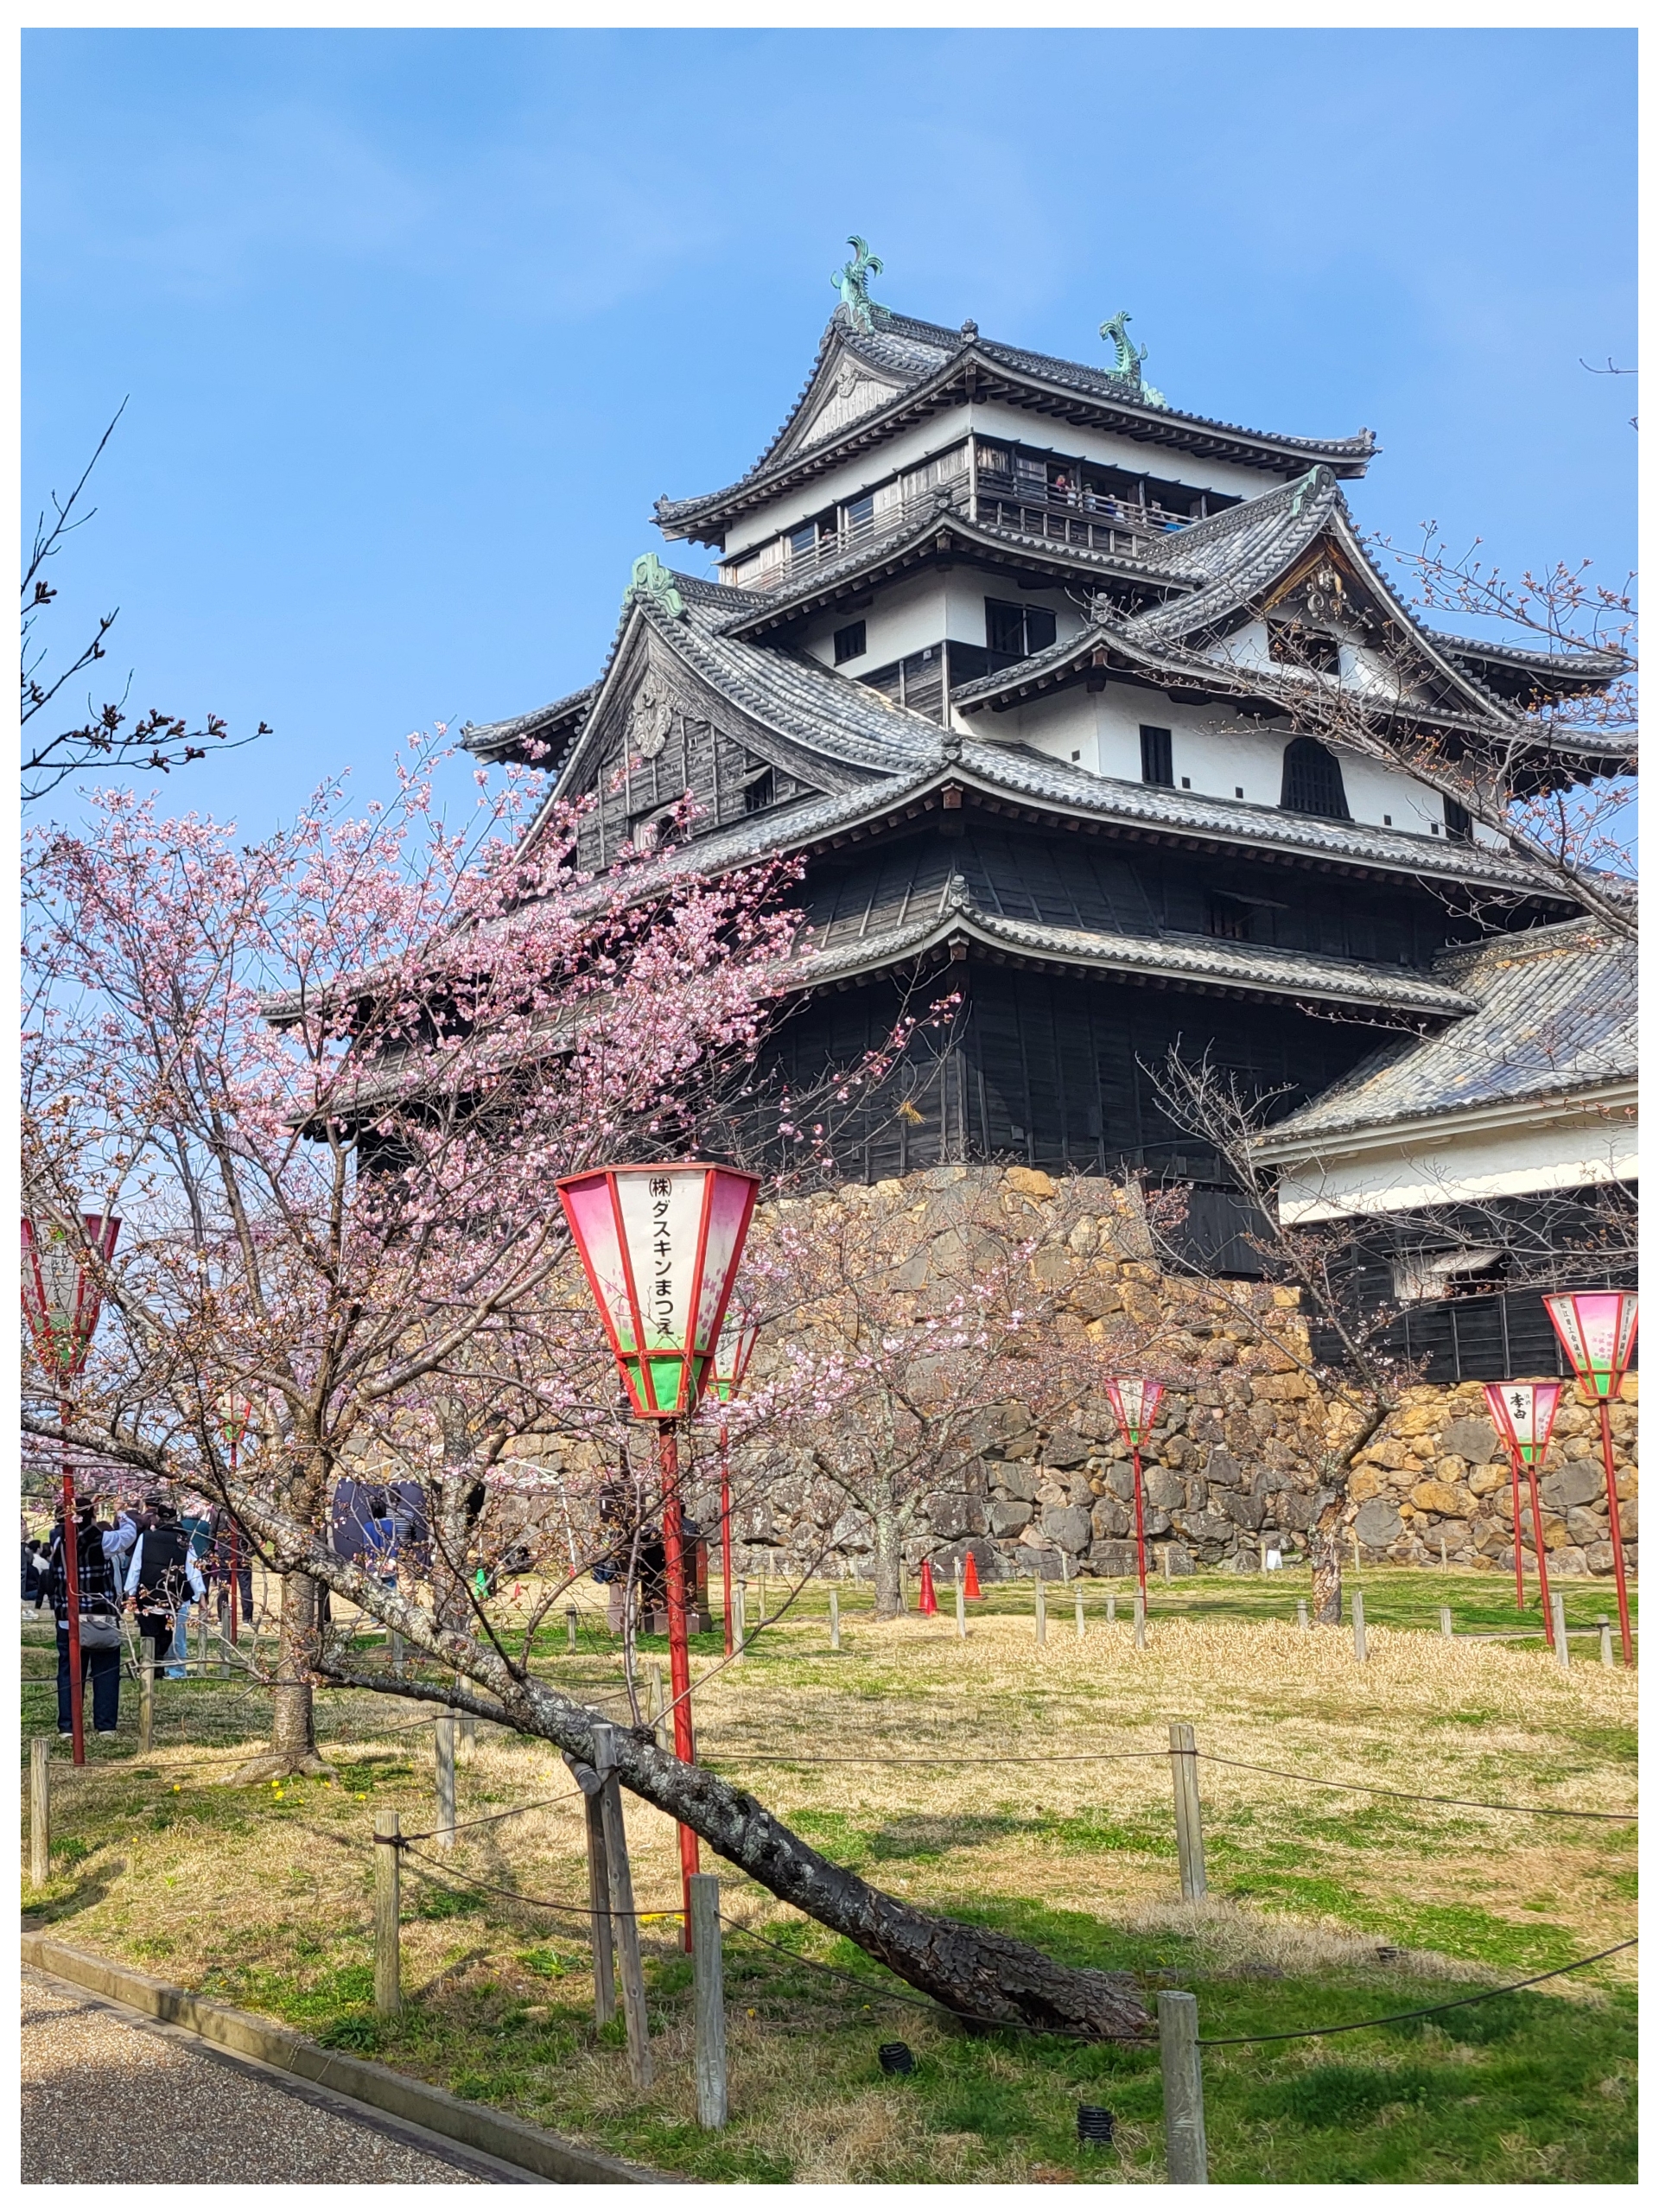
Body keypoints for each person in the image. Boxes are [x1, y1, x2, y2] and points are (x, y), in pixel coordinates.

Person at [43, 1498, 130, 1738]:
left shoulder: (57, 1540)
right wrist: (121, 1513)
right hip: (99, 1617)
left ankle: (68, 1726)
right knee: (105, 1671)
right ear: (92, 1515)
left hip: (67, 1617)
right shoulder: (102, 1540)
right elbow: (129, 1534)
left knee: (69, 1672)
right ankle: (105, 1725)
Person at [124, 1498, 206, 1679]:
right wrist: (200, 1595)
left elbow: (136, 1566)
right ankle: (157, 1668)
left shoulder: (146, 1537)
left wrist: (130, 1592)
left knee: (149, 1635)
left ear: (158, 1517)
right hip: (172, 1596)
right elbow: (193, 1569)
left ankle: (149, 1669)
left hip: (148, 1594)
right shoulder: (183, 1540)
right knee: (166, 1637)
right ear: (176, 1518)